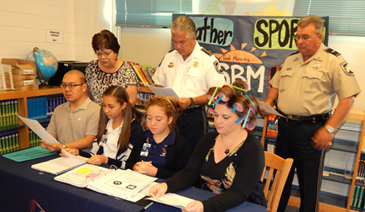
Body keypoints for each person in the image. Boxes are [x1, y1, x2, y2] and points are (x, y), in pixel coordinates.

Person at [260, 15, 361, 212]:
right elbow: (276, 85)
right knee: (280, 178)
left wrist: (329, 129)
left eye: (305, 37)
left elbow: (349, 98)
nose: (299, 41)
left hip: (311, 131)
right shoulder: (291, 59)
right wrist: (269, 102)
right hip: (285, 128)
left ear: (319, 36)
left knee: (308, 186)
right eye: (297, 37)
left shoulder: (333, 60)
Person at [149, 81, 266, 212]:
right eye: (215, 115)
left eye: (225, 117)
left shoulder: (252, 149)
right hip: (207, 200)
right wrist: (166, 185)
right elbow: (190, 173)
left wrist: (205, 206)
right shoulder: (208, 139)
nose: (218, 121)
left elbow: (238, 193)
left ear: (242, 118)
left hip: (243, 205)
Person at [152, 15, 225, 151]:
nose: (178, 47)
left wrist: (192, 101)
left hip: (193, 117)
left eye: (182, 42)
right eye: (175, 42)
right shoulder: (169, 57)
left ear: (193, 38)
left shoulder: (207, 59)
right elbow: (158, 84)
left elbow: (216, 92)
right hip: (169, 116)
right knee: (168, 156)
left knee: (192, 158)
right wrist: (160, 96)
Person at [62, 86, 143, 169]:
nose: (106, 110)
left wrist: (106, 160)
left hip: (118, 172)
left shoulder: (135, 129)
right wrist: (78, 152)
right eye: (104, 105)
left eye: (111, 107)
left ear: (123, 105)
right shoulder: (106, 123)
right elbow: (95, 154)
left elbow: (130, 164)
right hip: (101, 168)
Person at [125, 96, 191, 179]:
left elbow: (183, 177)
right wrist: (135, 167)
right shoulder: (142, 137)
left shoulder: (180, 144)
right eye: (149, 118)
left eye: (158, 119)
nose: (152, 123)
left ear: (169, 120)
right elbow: (129, 163)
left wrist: (156, 172)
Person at [41, 70, 100, 152]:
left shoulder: (95, 110)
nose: (67, 89)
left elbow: (88, 142)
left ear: (84, 87)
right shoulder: (59, 109)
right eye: (64, 85)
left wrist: (63, 146)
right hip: (60, 156)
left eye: (72, 85)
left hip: (84, 158)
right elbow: (50, 137)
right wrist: (46, 143)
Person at [85, 29, 139, 106]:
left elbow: (131, 102)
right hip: (96, 115)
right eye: (99, 54)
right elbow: (87, 96)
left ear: (115, 52)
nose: (103, 57)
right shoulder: (91, 67)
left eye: (107, 53)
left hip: (119, 116)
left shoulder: (127, 71)